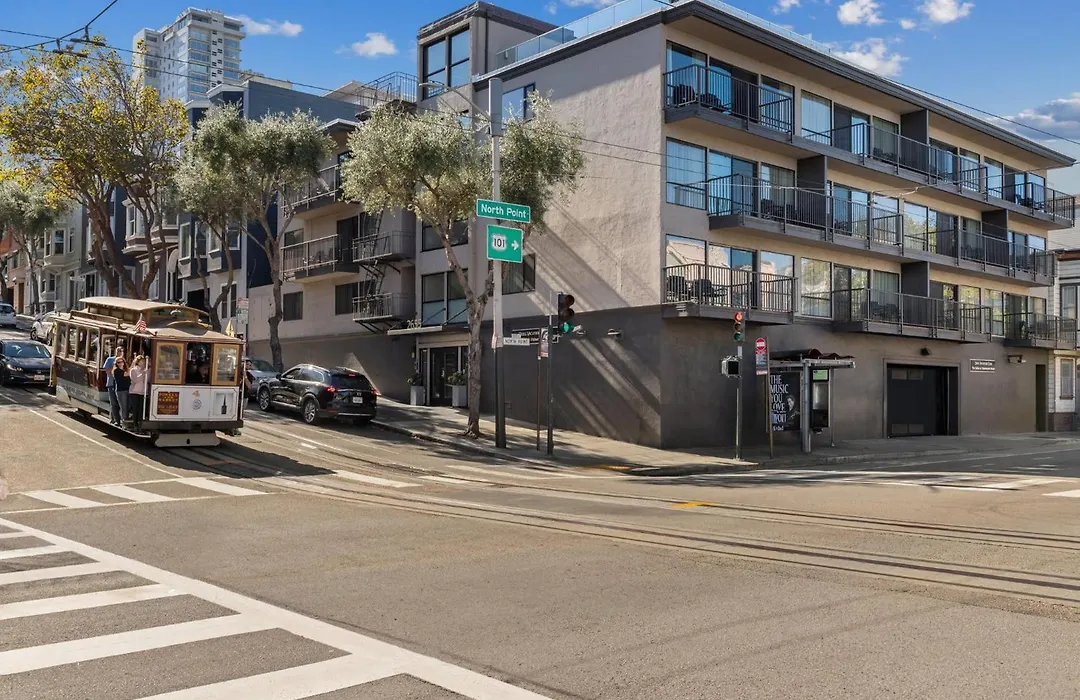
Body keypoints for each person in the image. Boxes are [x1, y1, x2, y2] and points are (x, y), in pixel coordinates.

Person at [103, 344, 124, 425]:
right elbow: (107, 371)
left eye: (121, 351)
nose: (120, 352)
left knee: (121, 403)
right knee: (113, 402)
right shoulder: (110, 359)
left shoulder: (124, 361)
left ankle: (121, 419)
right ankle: (115, 419)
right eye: (118, 350)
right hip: (111, 383)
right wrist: (116, 366)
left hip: (121, 385)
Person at [128, 355, 148, 432]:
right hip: (134, 392)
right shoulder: (133, 370)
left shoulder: (146, 370)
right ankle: (135, 425)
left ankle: (140, 425)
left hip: (143, 393)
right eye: (141, 361)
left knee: (141, 410)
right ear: (138, 362)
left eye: (144, 361)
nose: (143, 363)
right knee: (135, 409)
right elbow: (135, 380)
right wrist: (142, 373)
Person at [113, 355, 131, 428]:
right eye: (118, 362)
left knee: (128, 405)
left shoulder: (125, 370)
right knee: (123, 406)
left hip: (128, 390)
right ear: (116, 364)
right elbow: (127, 374)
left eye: (121, 361)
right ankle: (124, 422)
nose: (120, 363)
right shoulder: (116, 371)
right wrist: (133, 363)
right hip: (121, 391)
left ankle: (126, 419)